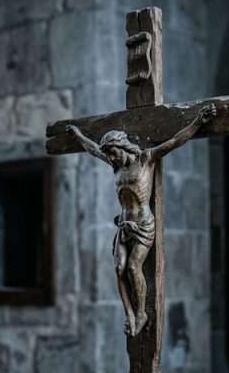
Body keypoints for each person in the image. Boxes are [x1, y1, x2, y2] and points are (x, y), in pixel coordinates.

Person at [66, 104, 217, 336]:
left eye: (112, 151)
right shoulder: (114, 166)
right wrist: (77, 135)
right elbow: (93, 149)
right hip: (123, 225)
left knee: (134, 266)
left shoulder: (146, 159)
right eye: (108, 153)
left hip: (144, 225)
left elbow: (174, 141)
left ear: (122, 146)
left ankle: (141, 314)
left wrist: (198, 121)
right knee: (119, 268)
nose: (110, 156)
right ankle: (129, 313)